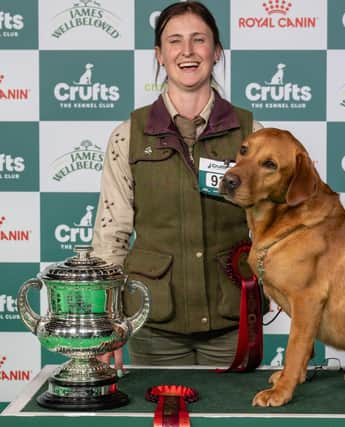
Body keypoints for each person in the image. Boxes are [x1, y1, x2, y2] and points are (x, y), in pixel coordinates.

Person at [92, 1, 262, 372]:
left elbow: (279, 228)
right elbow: (112, 236)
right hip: (154, 324)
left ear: (216, 52)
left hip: (234, 322)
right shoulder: (127, 136)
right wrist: (106, 322)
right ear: (160, 54)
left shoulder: (254, 136)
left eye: (199, 40)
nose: (187, 51)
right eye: (175, 41)